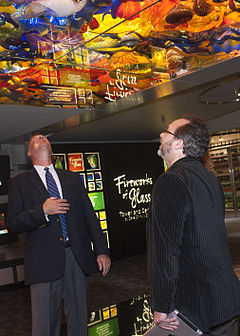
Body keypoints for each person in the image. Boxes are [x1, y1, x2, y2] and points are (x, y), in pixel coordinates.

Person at [7, 134, 111, 336]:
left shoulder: (72, 178)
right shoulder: (19, 183)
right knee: (44, 326)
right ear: (30, 153)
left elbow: (89, 216)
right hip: (42, 263)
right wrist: (42, 211)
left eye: (44, 137)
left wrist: (102, 250)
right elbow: (13, 223)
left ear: (52, 151)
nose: (40, 137)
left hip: (77, 257)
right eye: (35, 139)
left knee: (80, 321)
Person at [147, 115, 240, 335]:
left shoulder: (170, 181)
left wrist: (162, 304)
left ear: (179, 143)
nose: (161, 134)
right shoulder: (210, 179)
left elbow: (166, 249)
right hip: (226, 300)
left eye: (166, 131)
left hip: (198, 307)